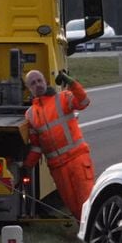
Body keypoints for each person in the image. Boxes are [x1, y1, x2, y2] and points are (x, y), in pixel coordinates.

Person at [22, 68, 95, 218]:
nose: (37, 85)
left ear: (45, 81)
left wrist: (72, 83)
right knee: (73, 207)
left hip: (77, 159)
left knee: (87, 202)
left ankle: (97, 230)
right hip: (58, 168)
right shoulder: (30, 114)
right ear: (29, 89)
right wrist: (27, 166)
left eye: (39, 80)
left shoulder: (63, 98)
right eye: (33, 83)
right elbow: (36, 147)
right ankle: (85, 231)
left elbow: (84, 102)